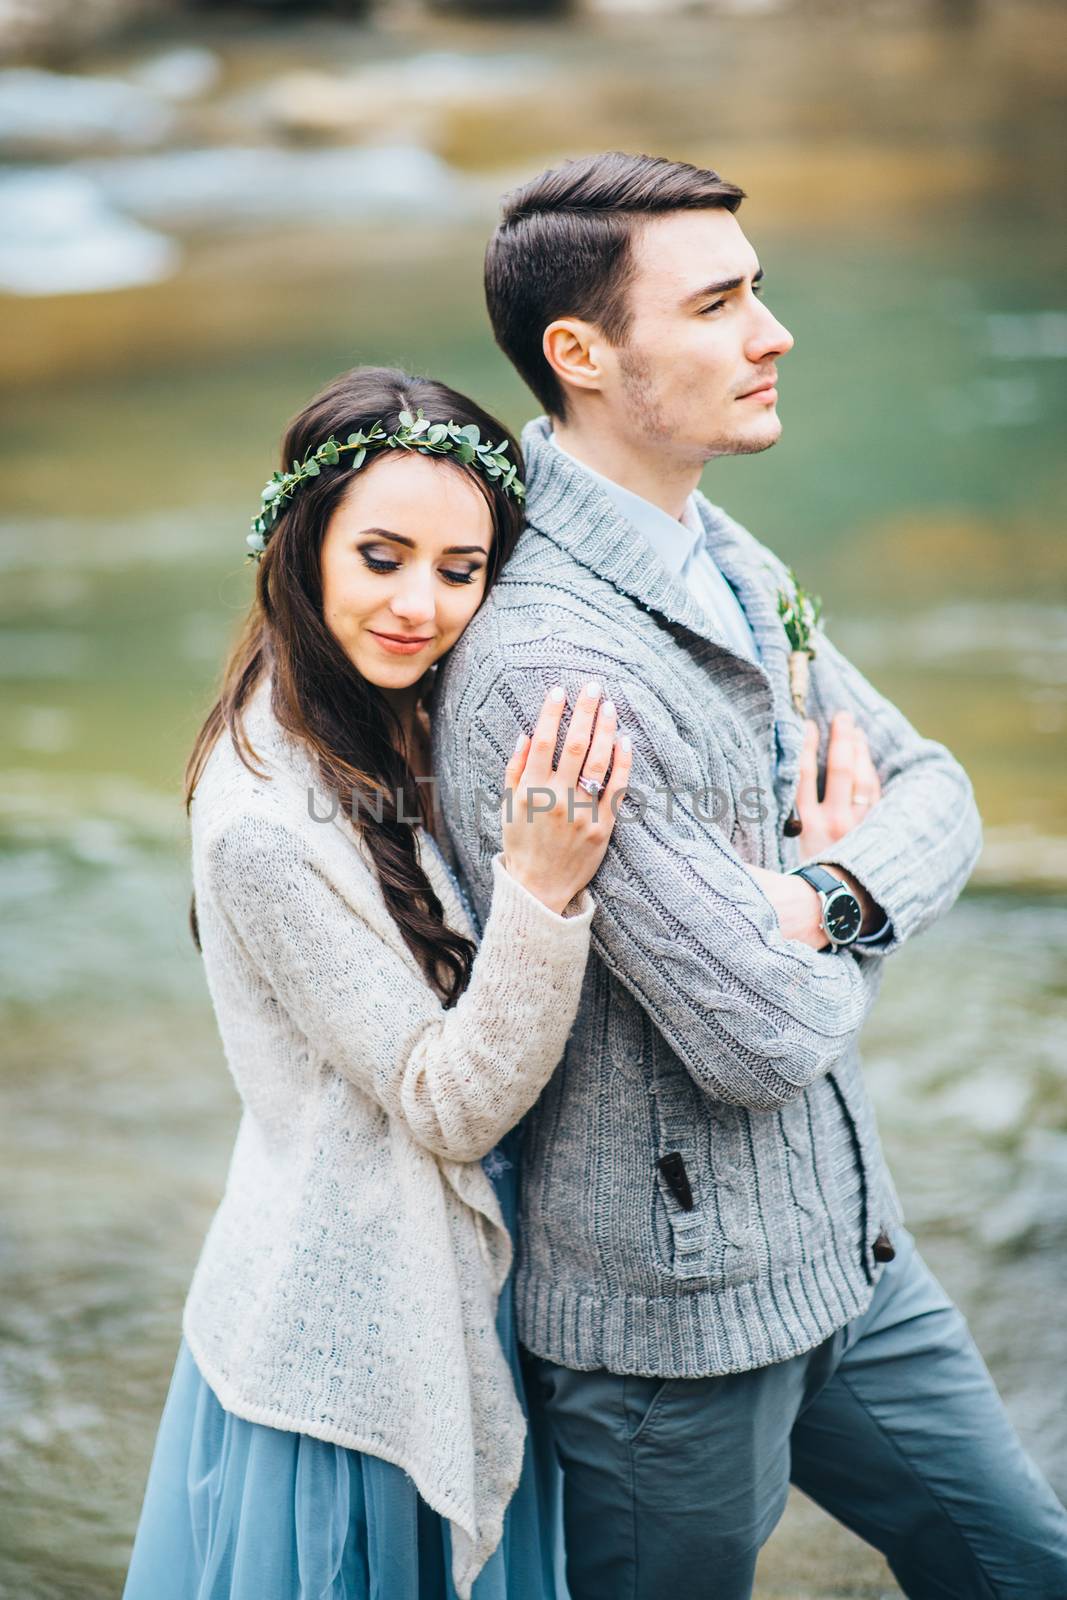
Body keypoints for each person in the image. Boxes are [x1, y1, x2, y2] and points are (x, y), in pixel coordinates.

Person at [432, 153, 1067, 1598]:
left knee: (1021, 1566)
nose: (770, 334)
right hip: (672, 1332)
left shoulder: (715, 542)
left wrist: (819, 896)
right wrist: (851, 892)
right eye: (717, 304)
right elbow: (755, 1036)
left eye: (756, 292)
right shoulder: (546, 664)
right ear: (579, 356)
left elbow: (940, 789)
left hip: (850, 1249)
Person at [122, 365, 633, 1600]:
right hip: (353, 1352)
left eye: (460, 571)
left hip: (448, 1289)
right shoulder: (265, 818)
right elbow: (445, 1101)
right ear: (302, 549)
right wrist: (542, 889)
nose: (420, 605)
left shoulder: (387, 710)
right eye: (382, 557)